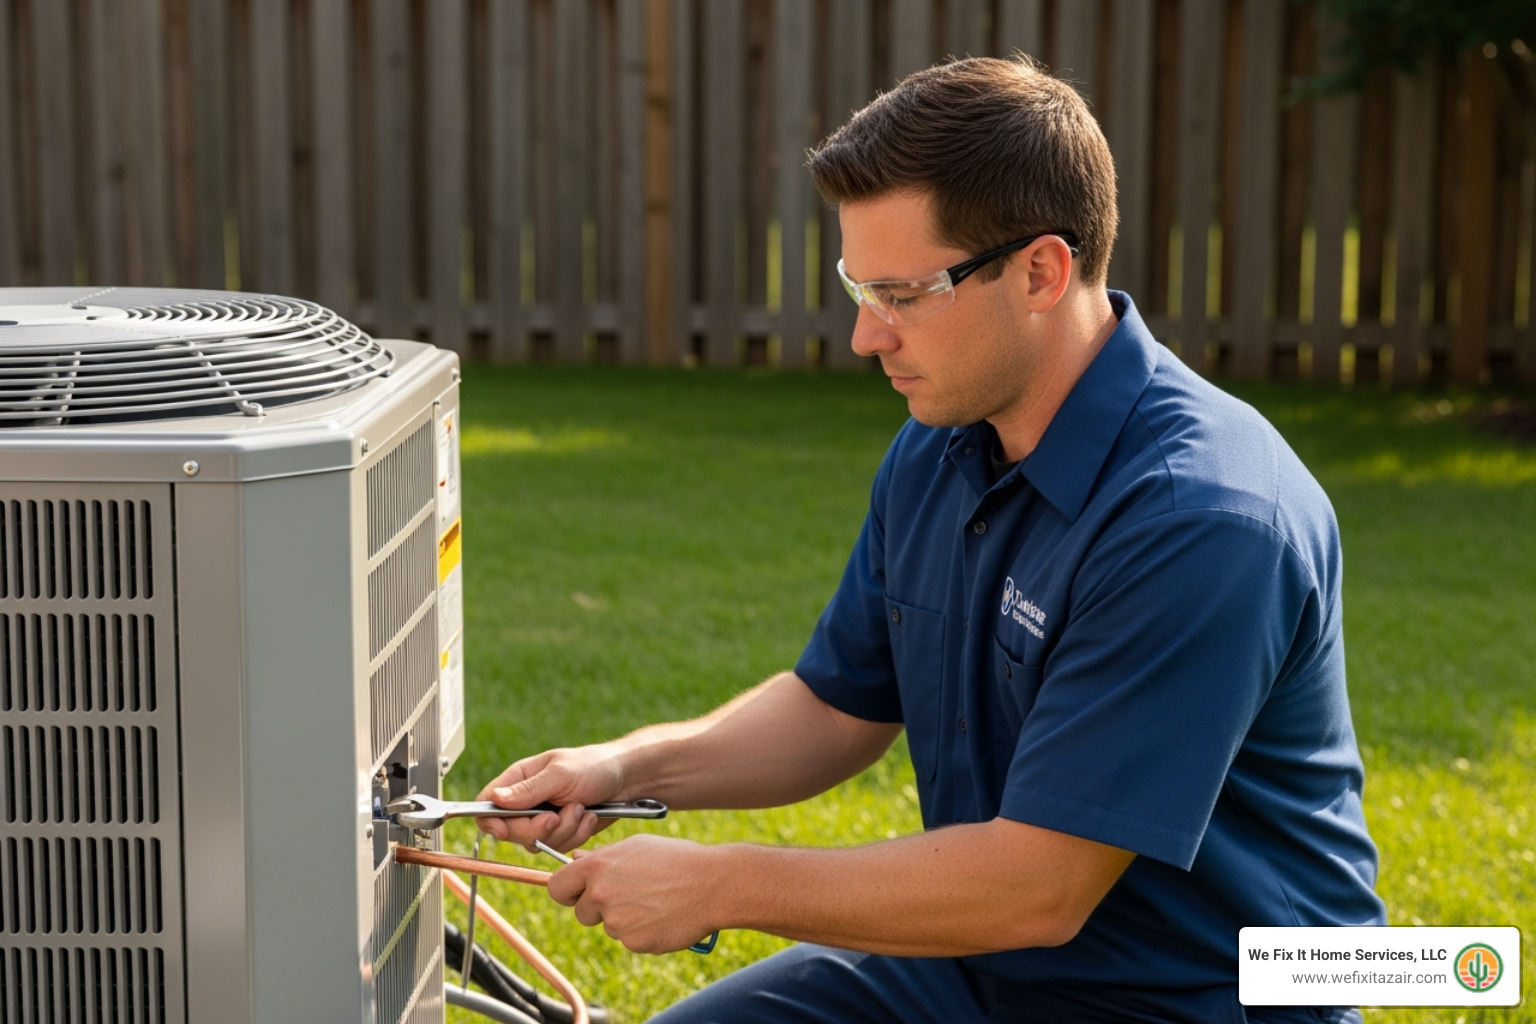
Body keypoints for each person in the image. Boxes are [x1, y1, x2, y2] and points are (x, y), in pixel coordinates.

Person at [476, 55, 1385, 1024]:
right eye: (857, 288)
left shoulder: (1202, 519)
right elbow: (835, 708)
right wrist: (624, 768)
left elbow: (1038, 884)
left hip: (1202, 996)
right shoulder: (941, 447)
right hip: (982, 963)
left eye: (902, 295)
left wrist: (723, 884)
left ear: (1042, 271)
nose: (867, 337)